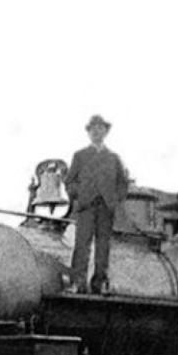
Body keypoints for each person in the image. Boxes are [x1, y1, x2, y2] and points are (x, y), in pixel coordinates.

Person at [63, 115, 130, 294]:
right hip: (86, 207)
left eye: (100, 128)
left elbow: (123, 184)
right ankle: (77, 282)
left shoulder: (114, 158)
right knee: (81, 244)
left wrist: (115, 200)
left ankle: (99, 282)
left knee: (103, 246)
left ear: (105, 132)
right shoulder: (80, 156)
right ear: (88, 132)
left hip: (106, 208)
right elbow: (69, 181)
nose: (96, 132)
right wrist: (80, 193)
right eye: (93, 129)